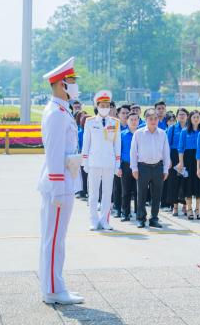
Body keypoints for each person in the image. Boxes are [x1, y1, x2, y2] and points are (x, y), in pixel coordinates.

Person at [38, 57, 84, 304]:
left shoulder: (60, 110)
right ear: (61, 84)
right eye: (72, 80)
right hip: (59, 183)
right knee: (55, 238)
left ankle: (53, 286)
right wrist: (57, 189)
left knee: (54, 237)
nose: (75, 85)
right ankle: (54, 290)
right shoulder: (56, 114)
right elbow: (54, 155)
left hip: (64, 180)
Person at [81, 90, 122, 230]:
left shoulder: (115, 122)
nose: (105, 107)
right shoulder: (90, 121)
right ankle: (93, 220)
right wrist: (84, 161)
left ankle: (104, 220)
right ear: (97, 106)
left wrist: (118, 163)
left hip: (109, 163)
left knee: (107, 193)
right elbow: (86, 143)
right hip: (93, 162)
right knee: (93, 193)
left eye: (107, 105)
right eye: (102, 105)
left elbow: (117, 144)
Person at [130, 108, 171, 228]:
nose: (153, 121)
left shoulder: (162, 133)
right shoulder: (139, 133)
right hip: (143, 167)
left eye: (155, 119)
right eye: (150, 119)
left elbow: (166, 153)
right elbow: (133, 152)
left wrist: (165, 169)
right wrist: (134, 168)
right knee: (141, 194)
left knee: (156, 195)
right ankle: (141, 218)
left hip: (158, 167)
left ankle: (154, 218)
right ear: (146, 119)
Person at [179, 110, 200, 219]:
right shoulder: (184, 132)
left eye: (198, 117)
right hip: (187, 160)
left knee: (199, 184)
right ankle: (189, 209)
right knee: (187, 184)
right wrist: (181, 163)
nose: (196, 119)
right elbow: (181, 149)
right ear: (190, 118)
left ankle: (198, 209)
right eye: (194, 117)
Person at [166, 108, 188, 216]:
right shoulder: (172, 128)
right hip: (174, 156)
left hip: (186, 156)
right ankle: (175, 206)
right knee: (174, 182)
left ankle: (185, 206)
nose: (182, 116)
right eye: (180, 114)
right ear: (177, 116)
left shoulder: (190, 128)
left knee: (185, 182)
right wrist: (169, 159)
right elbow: (167, 145)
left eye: (184, 114)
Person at [118, 111, 139, 221]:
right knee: (125, 191)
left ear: (139, 121)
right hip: (126, 165)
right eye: (131, 119)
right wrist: (118, 167)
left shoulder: (142, 134)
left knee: (138, 191)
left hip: (139, 166)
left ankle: (139, 213)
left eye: (136, 119)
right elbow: (118, 152)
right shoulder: (122, 134)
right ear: (127, 121)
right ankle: (125, 213)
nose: (134, 121)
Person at [75, 111, 89, 200]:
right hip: (82, 156)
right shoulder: (80, 132)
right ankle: (83, 191)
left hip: (91, 156)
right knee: (83, 175)